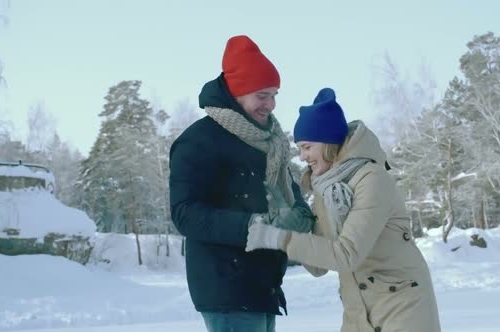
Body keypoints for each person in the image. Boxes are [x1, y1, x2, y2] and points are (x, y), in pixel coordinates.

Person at [246, 88, 442, 332]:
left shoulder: (371, 178)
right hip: (358, 311)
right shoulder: (326, 188)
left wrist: (278, 239)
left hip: (401, 308)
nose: (303, 156)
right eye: (300, 149)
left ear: (327, 142)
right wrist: (295, 228)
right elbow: (319, 268)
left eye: (307, 147)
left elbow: (347, 255)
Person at [169, 35, 314, 332]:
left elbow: (291, 193)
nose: (271, 105)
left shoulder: (270, 142)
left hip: (264, 284)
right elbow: (185, 214)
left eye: (275, 95)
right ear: (238, 91)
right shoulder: (199, 140)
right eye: (262, 95)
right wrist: (255, 224)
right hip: (226, 285)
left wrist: (298, 216)